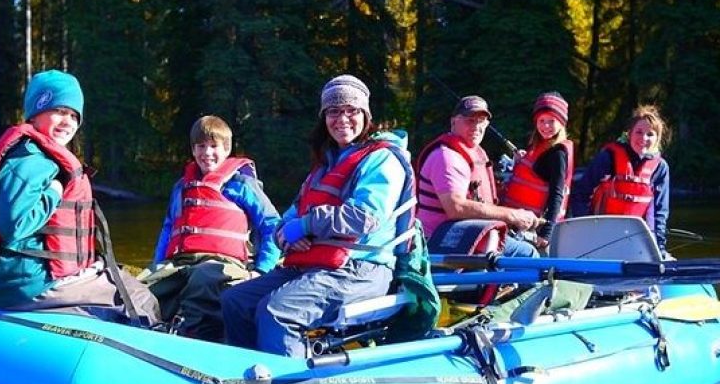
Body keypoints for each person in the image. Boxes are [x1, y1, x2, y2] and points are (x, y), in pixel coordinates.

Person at [220, 74, 415, 358]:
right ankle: (246, 377)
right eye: (333, 111)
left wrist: (306, 226)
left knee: (277, 312)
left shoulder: (382, 159)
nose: (342, 119)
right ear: (324, 118)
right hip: (315, 265)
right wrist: (287, 236)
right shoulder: (325, 164)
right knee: (235, 300)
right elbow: (287, 218)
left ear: (365, 115)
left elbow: (364, 216)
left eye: (352, 110)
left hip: (362, 269)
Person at [0, 69, 162, 326]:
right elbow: (14, 225)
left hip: (20, 280)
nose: (68, 121)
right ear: (35, 112)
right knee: (139, 298)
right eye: (59, 110)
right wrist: (55, 191)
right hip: (31, 284)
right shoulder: (31, 160)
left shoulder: (33, 155)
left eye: (74, 116)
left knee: (123, 278)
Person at [138, 115, 281, 341]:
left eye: (213, 146)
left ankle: (192, 335)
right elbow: (168, 229)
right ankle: (144, 334)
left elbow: (272, 225)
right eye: (200, 146)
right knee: (140, 288)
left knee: (203, 279)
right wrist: (157, 264)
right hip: (180, 262)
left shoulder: (241, 185)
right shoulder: (182, 188)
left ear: (226, 149)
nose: (207, 152)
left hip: (224, 263)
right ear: (193, 151)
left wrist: (262, 270)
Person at [415, 95, 539, 258]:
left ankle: (501, 283)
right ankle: (497, 283)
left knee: (521, 244)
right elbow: (456, 208)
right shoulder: (446, 157)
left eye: (481, 121)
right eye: (469, 120)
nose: (476, 126)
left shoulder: (475, 153)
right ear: (453, 122)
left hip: (466, 234)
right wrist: (512, 215)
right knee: (528, 254)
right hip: (441, 241)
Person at [570, 104, 671, 255]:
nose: (644, 138)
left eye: (650, 134)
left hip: (634, 239)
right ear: (629, 133)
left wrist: (660, 249)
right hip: (599, 235)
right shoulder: (608, 157)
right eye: (639, 132)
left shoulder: (660, 168)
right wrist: (587, 232)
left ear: (657, 139)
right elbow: (580, 194)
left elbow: (659, 213)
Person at [501, 92, 574, 252]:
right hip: (517, 224)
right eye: (541, 121)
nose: (545, 126)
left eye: (551, 121)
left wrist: (547, 233)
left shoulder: (558, 154)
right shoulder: (539, 147)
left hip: (533, 231)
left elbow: (557, 194)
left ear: (562, 123)